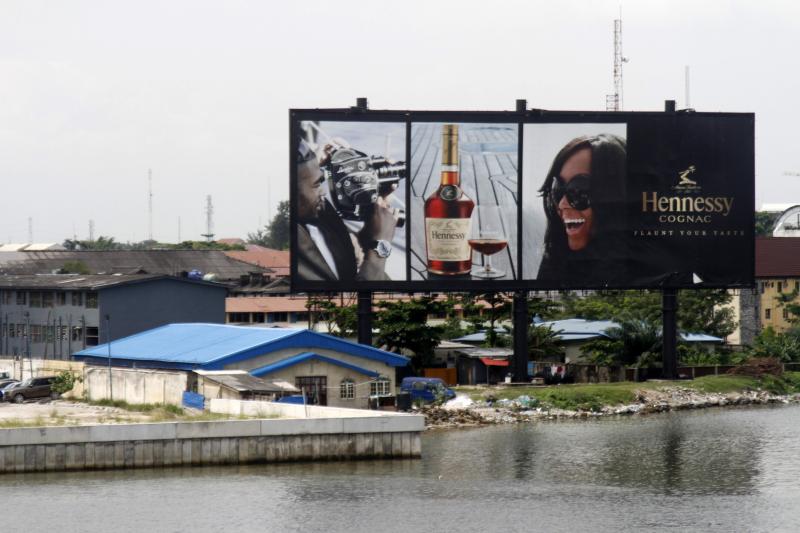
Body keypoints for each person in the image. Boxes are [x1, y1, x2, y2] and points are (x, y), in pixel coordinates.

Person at [296, 138, 398, 281]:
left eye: (322, 181)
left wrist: (365, 240)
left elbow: (346, 273)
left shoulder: (315, 212)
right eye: (316, 185)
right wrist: (380, 247)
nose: (323, 193)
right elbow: (348, 301)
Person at [536, 133, 627, 285]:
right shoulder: (556, 262)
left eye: (579, 190)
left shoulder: (653, 271)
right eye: (557, 189)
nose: (562, 204)